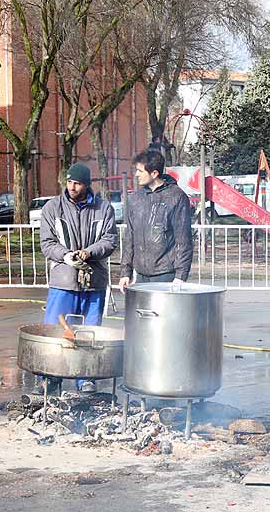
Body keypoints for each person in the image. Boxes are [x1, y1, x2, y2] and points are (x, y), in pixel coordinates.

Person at [39, 163, 119, 392]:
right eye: (70, 182)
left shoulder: (104, 208)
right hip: (63, 281)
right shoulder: (52, 208)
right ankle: (50, 376)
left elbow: (110, 239)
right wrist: (66, 256)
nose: (73, 187)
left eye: (78, 183)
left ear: (87, 185)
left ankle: (86, 378)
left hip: (94, 281)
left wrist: (89, 252)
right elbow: (47, 242)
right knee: (56, 330)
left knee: (90, 332)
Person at [118, 149, 193, 289]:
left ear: (154, 173)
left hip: (166, 274)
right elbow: (129, 237)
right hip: (140, 275)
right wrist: (125, 272)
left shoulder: (176, 197)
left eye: (140, 171)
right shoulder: (135, 198)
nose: (136, 174)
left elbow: (183, 239)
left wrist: (180, 276)